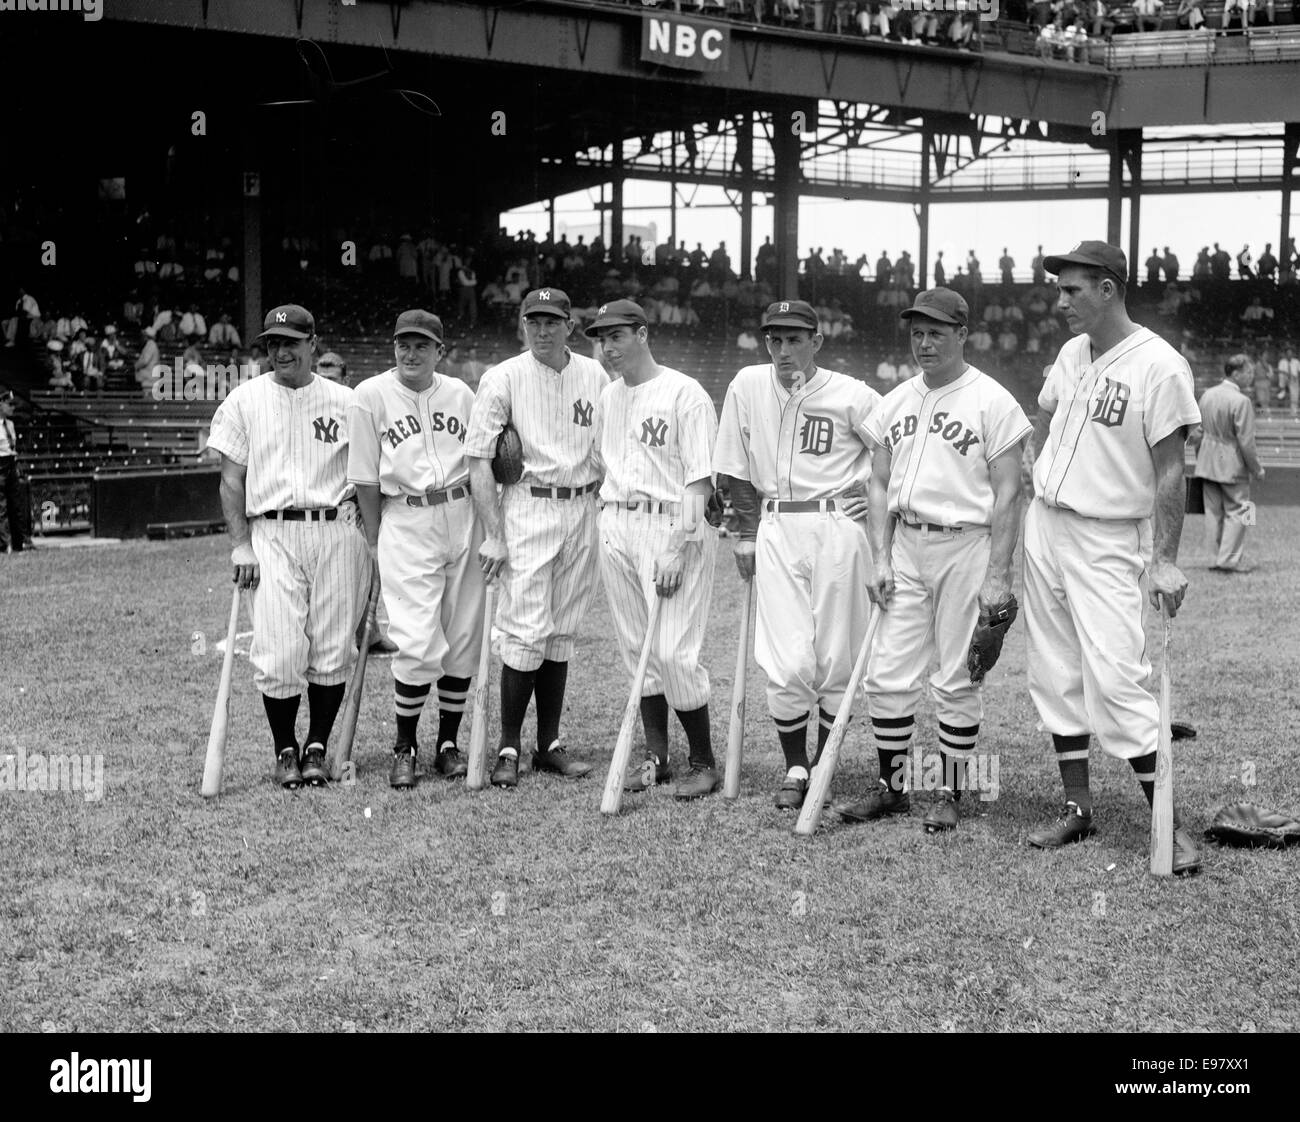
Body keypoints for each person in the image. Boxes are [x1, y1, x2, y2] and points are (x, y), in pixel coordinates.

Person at [1023, 242, 1202, 873]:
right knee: (1054, 669)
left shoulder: (1161, 365)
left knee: (1119, 678)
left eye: (1072, 289)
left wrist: (1166, 559)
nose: (1061, 300)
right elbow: (1047, 419)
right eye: (1060, 289)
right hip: (1046, 523)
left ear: (1108, 289)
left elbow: (1172, 470)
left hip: (1107, 534)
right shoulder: (1072, 352)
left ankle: (1168, 827)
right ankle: (1077, 807)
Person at [836, 289, 1030, 832]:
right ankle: (892, 786)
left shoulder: (994, 401)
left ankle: (949, 791)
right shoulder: (894, 400)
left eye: (936, 332)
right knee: (886, 672)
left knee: (955, 677)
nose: (924, 343)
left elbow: (1010, 493)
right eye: (917, 332)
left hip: (966, 544)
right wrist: (879, 557)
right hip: (905, 544)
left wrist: (998, 574)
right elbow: (877, 483)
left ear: (962, 334)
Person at [713, 299, 881, 810]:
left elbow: (896, 452)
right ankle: (795, 765)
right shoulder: (746, 385)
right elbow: (733, 466)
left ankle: (825, 761)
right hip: (775, 525)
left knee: (836, 656)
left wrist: (876, 490)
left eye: (793, 339)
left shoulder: (852, 394)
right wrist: (743, 534)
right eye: (774, 339)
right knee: (786, 661)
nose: (782, 349)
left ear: (816, 342)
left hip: (837, 528)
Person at [206, 304, 371, 789]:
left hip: (337, 529)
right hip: (272, 531)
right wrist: (240, 545)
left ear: (312, 344)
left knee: (332, 646)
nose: (281, 351)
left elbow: (367, 474)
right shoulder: (245, 400)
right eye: (273, 344)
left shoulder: (347, 401)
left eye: (291, 342)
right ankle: (285, 749)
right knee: (278, 651)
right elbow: (230, 480)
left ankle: (317, 746)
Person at [463, 288, 608, 788]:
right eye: (533, 321)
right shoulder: (502, 377)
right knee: (525, 630)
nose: (541, 330)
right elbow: (480, 459)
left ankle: (548, 744)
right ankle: (508, 745)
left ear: (570, 324)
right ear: (521, 325)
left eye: (551, 321)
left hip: (582, 504)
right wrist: (494, 535)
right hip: (527, 503)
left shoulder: (595, 374)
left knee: (561, 630)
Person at [586, 300, 722, 800]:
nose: (608, 348)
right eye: (601, 339)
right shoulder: (608, 397)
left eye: (617, 336)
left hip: (668, 525)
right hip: (616, 520)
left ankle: (704, 761)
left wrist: (678, 546)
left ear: (642, 334)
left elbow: (700, 481)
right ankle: (658, 757)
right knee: (635, 646)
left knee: (672, 652)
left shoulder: (684, 393)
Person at [347, 310, 486, 788]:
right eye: (404, 344)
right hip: (406, 516)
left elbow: (480, 461)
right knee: (417, 638)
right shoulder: (369, 396)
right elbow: (365, 477)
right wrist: (372, 536)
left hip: (464, 512)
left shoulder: (461, 394)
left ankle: (447, 744)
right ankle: (404, 746)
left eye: (422, 345)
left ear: (439, 352)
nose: (411, 353)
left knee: (462, 636)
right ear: (393, 347)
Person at [1191, 354, 1264, 574]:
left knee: (1213, 512)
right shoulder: (1241, 401)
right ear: (1236, 373)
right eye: (1249, 372)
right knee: (1239, 512)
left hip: (1206, 462)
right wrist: (1256, 468)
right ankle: (1230, 560)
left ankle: (1214, 558)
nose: (1251, 377)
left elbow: (1197, 433)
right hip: (1232, 465)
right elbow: (1246, 441)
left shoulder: (1207, 395)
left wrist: (1201, 457)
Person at [0, 388, 32, 554]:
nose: (13, 408)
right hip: (0, 465)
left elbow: (13, 448)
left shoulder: (10, 425)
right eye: (9, 404)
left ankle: (19, 542)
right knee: (2, 506)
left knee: (15, 504)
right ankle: (6, 544)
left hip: (11, 464)